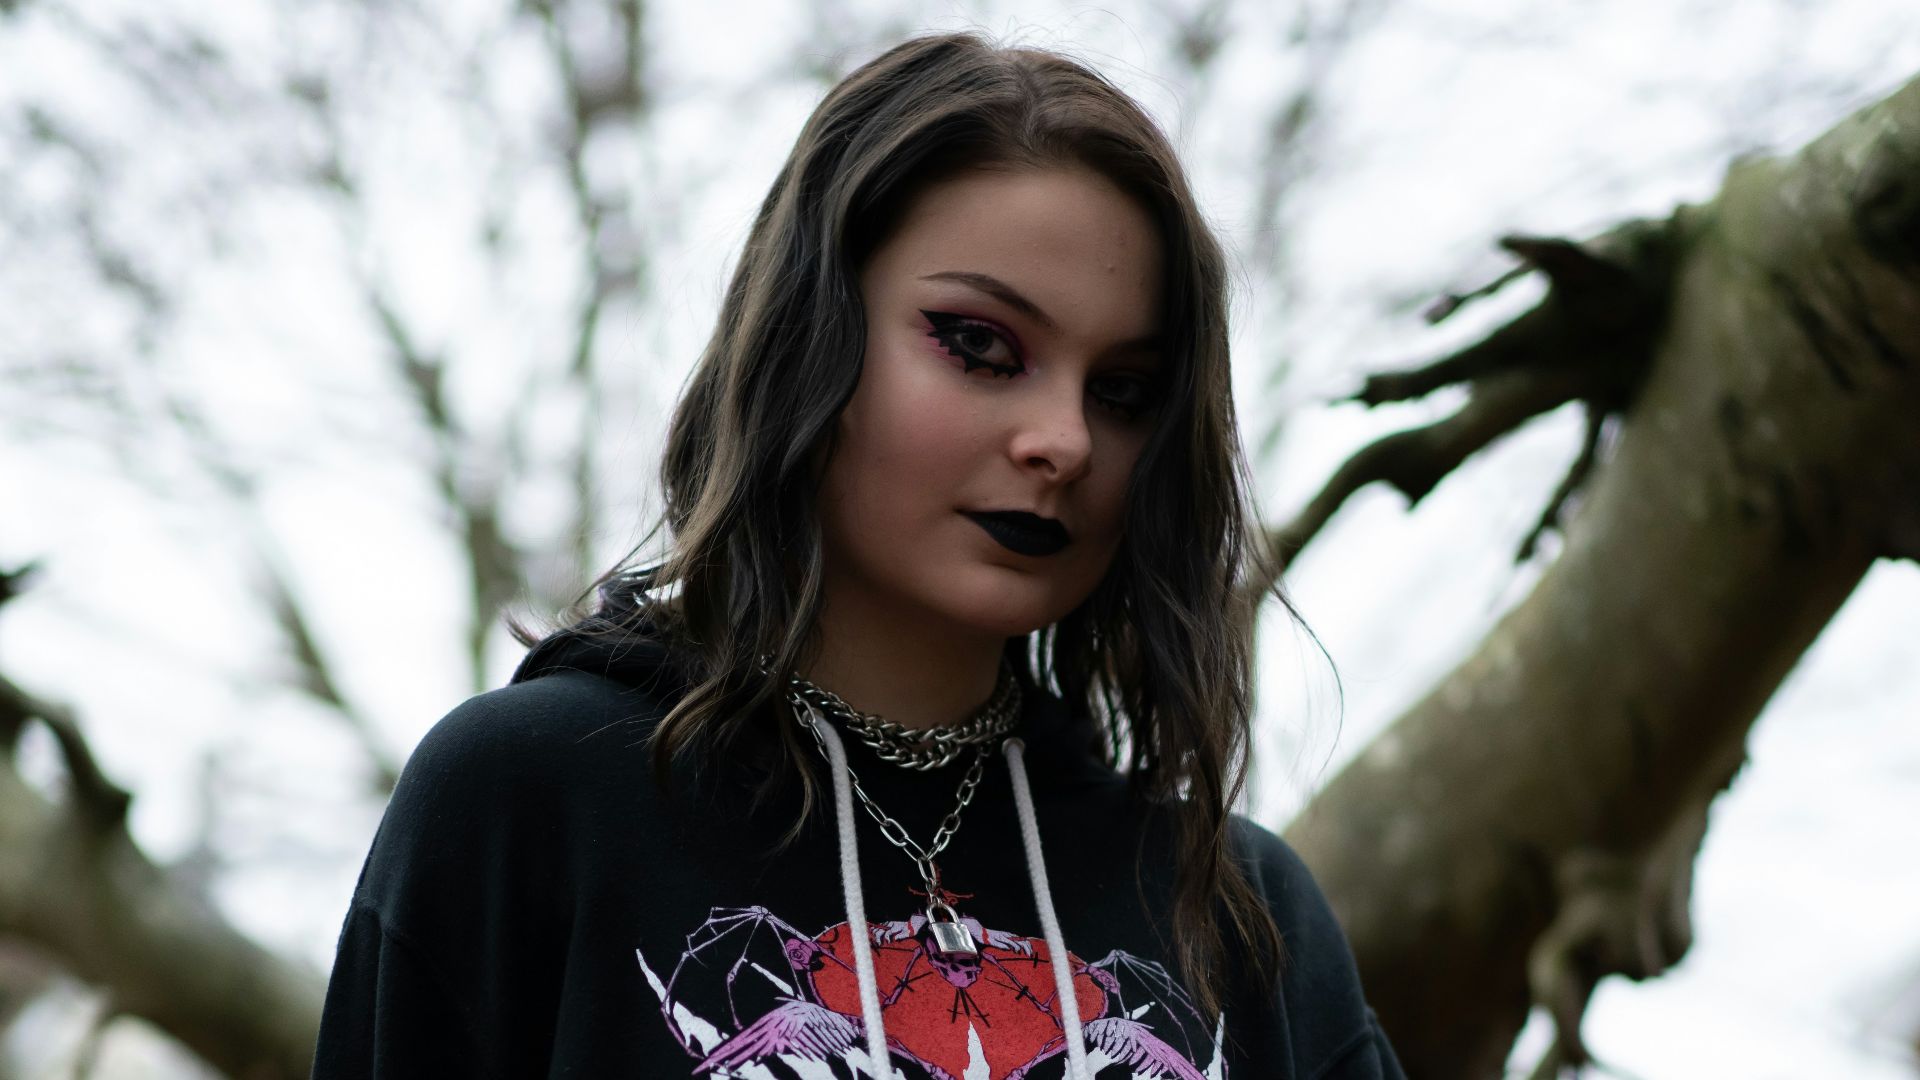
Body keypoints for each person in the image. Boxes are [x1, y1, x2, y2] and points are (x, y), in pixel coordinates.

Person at [312, 31, 1405, 1080]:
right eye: (980, 346)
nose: (1065, 441)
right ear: (811, 336)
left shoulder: (1233, 911)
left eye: (1122, 393)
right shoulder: (532, 800)